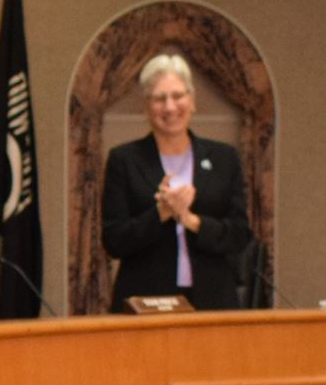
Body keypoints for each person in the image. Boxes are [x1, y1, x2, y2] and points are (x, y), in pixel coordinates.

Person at [99, 51, 249, 309]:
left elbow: (239, 234)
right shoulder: (124, 160)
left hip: (213, 300)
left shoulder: (224, 159)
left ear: (192, 101)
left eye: (178, 96)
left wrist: (191, 221)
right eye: (159, 98)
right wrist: (161, 212)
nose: (170, 107)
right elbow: (113, 240)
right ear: (146, 107)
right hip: (146, 300)